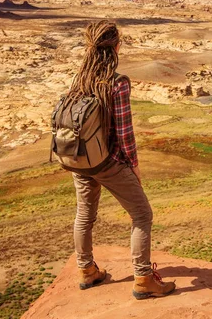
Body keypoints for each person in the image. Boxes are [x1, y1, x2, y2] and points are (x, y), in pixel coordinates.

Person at [68, 20, 175, 300]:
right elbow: (125, 134)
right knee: (142, 214)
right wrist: (134, 168)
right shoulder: (117, 82)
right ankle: (143, 279)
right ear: (116, 46)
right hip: (107, 163)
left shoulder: (80, 79)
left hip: (78, 160)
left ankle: (87, 271)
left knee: (85, 216)